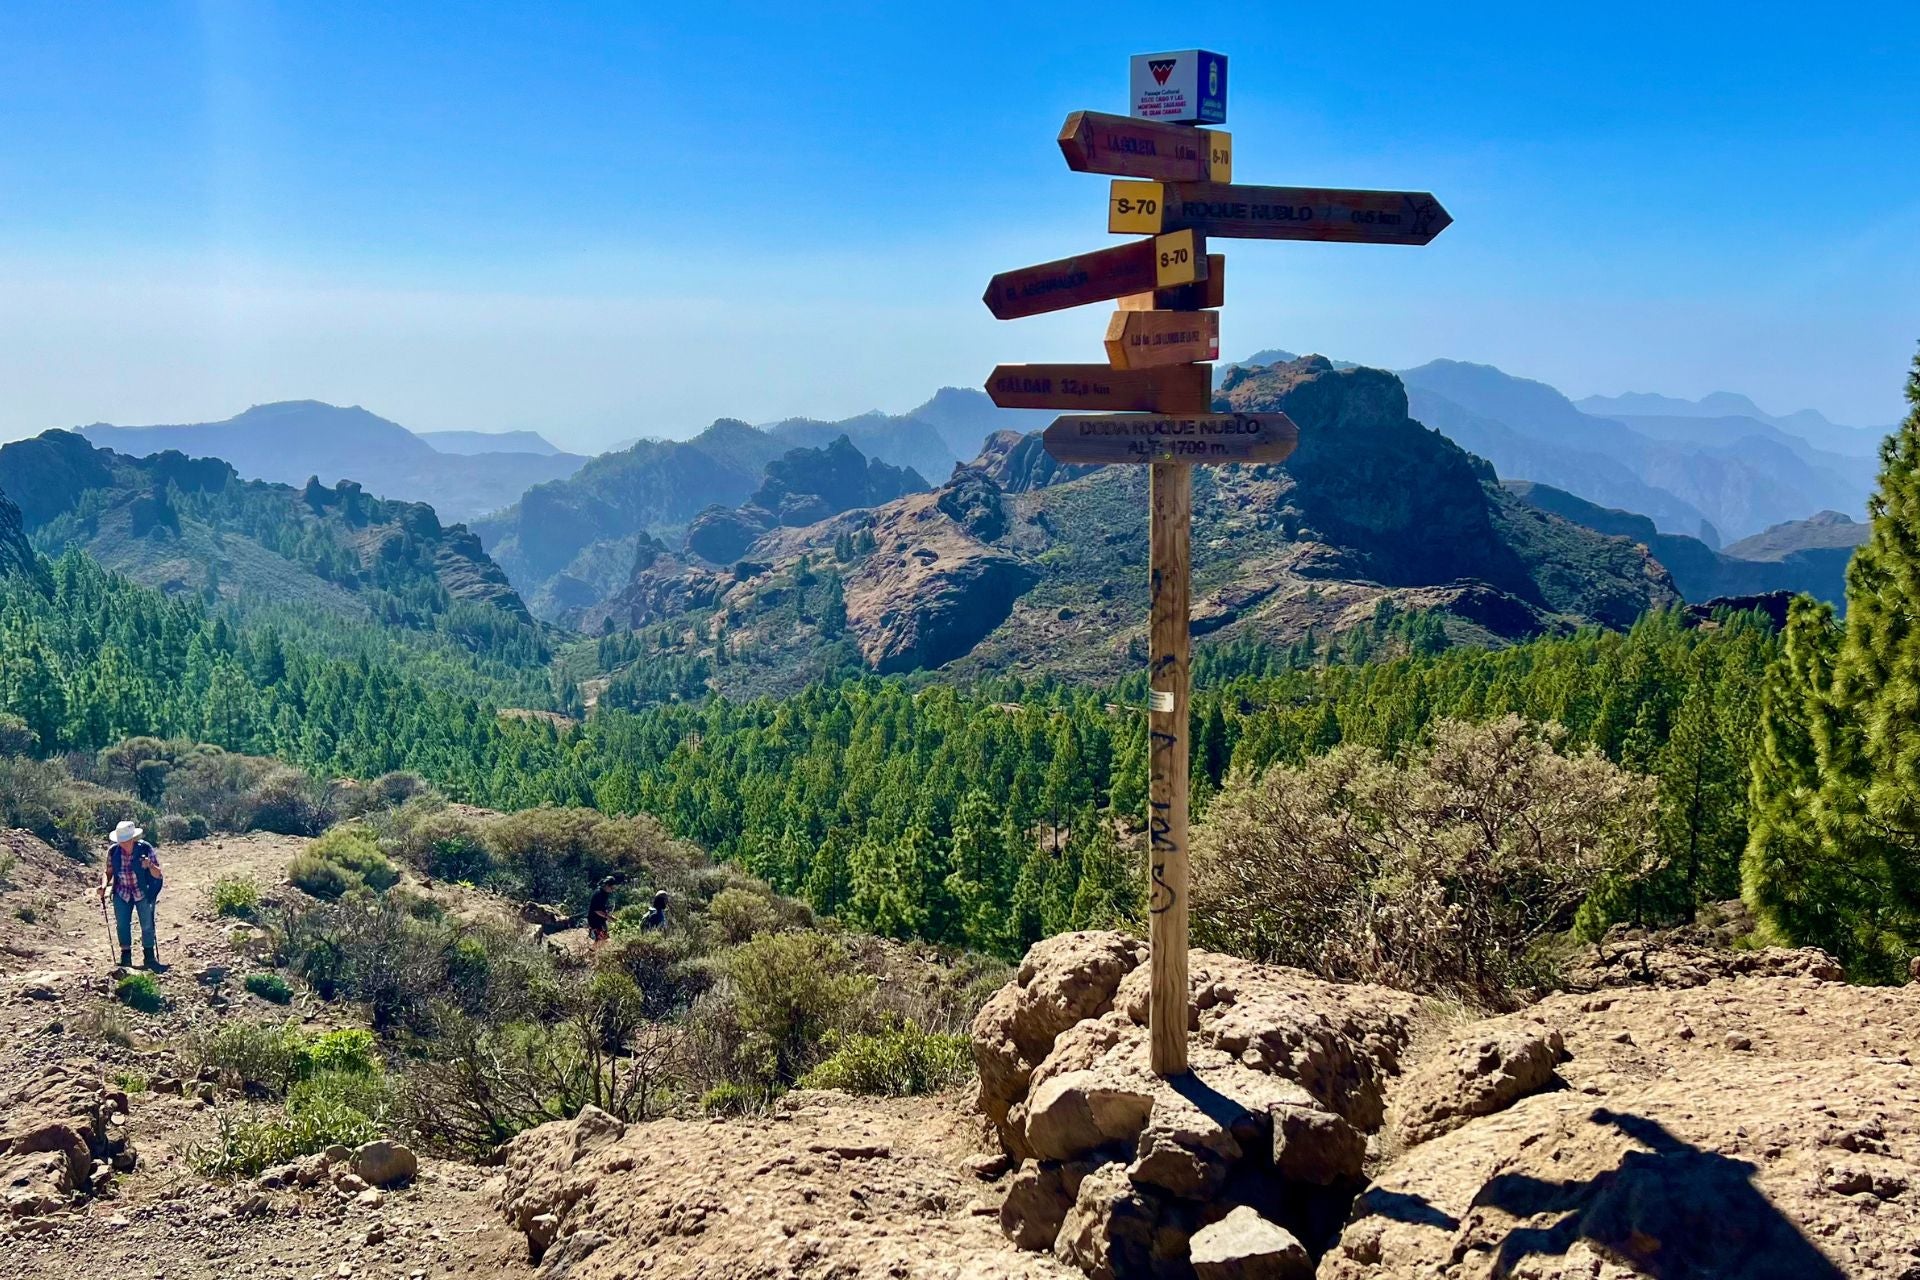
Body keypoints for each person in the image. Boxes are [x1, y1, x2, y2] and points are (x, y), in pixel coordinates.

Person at [98, 820, 164, 969]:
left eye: (126, 841)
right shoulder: (113, 851)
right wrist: (103, 886)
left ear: (133, 839)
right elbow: (108, 872)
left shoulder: (145, 849)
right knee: (122, 925)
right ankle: (126, 957)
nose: (124, 844)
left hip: (143, 891)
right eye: (121, 841)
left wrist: (150, 865)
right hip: (122, 892)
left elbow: (158, 873)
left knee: (147, 924)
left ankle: (149, 957)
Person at [587, 875, 617, 944]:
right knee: (601, 940)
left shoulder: (605, 893)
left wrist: (610, 916)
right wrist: (608, 917)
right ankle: (593, 953)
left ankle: (594, 952)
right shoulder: (598, 894)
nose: (612, 890)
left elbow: (602, 908)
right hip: (594, 920)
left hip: (601, 920)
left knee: (604, 938)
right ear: (607, 885)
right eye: (611, 888)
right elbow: (597, 910)